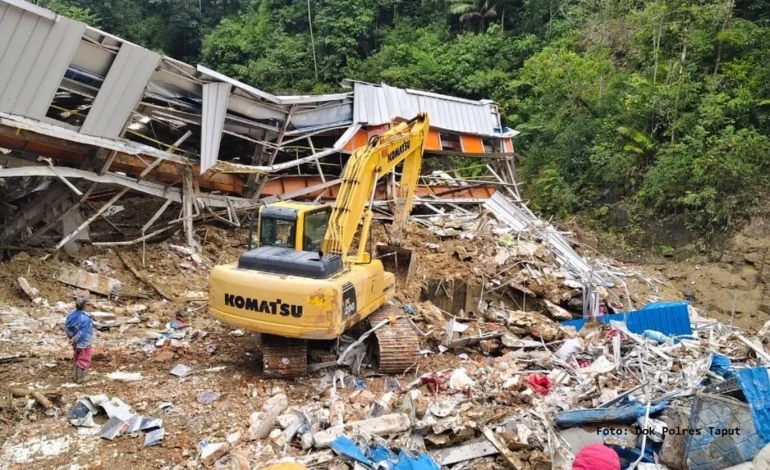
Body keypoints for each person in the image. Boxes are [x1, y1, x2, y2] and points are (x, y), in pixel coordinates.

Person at [64, 297, 93, 383]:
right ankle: (80, 378)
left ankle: (75, 376)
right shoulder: (86, 318)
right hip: (84, 342)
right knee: (84, 358)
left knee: (77, 357)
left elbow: (67, 328)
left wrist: (72, 338)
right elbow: (82, 332)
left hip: (75, 342)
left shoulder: (71, 315)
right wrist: (75, 339)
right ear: (84, 306)